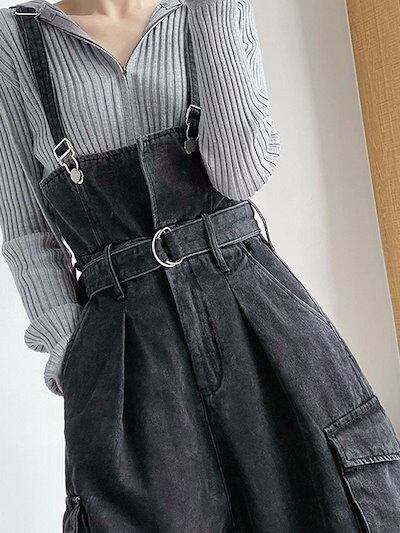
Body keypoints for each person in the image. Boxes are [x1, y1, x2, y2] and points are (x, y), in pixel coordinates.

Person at [0, 1, 399, 531]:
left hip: (254, 316)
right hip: (124, 348)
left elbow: (241, 175)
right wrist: (73, 354)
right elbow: (26, 230)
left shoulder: (205, 10)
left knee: (327, 504)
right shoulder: (15, 40)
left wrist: (215, 11)